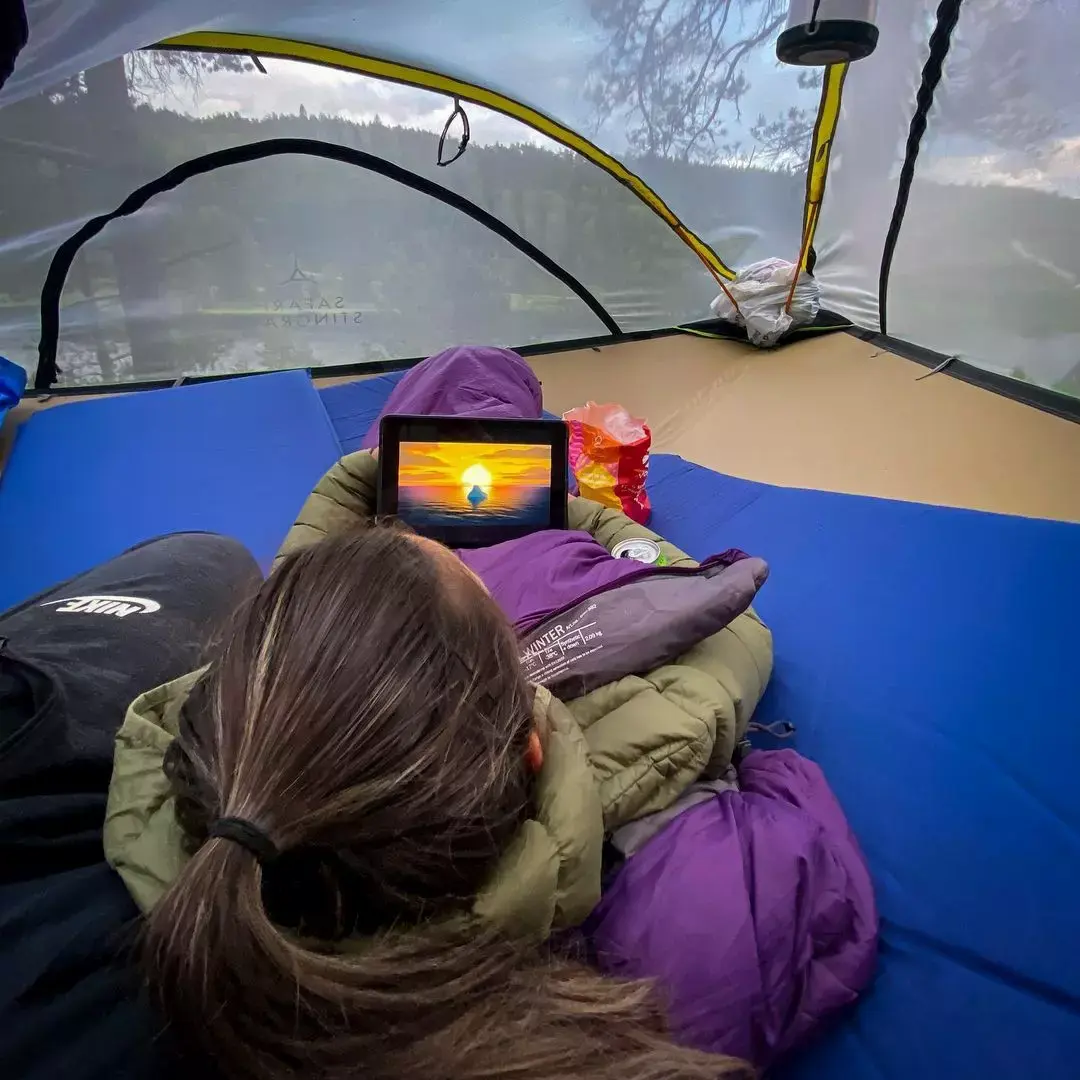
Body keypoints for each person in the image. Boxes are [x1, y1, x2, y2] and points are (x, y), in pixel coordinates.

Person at [103, 346, 875, 1077]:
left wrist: (363, 501)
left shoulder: (202, 864)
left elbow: (303, 616)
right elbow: (722, 628)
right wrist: (582, 516)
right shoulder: (687, 923)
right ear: (531, 745)